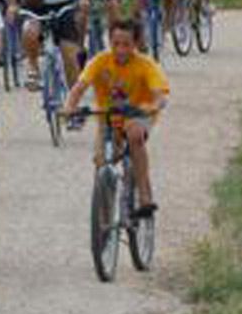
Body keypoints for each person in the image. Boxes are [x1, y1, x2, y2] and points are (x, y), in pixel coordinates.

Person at [63, 19, 170, 217]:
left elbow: (160, 95)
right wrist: (70, 107)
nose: (120, 50)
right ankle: (104, 212)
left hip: (138, 114)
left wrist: (153, 106)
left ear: (136, 44)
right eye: (115, 44)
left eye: (126, 45)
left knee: (135, 135)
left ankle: (145, 194)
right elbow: (78, 88)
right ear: (109, 42)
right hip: (108, 117)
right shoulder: (99, 61)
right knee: (101, 159)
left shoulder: (146, 65)